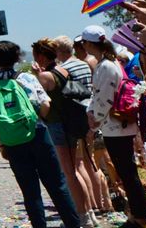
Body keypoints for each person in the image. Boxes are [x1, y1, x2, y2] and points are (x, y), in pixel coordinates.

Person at [0, 41, 81, 228]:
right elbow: (45, 105)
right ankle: (73, 224)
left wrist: (2, 144)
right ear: (17, 58)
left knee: (30, 192)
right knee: (57, 185)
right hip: (37, 134)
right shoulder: (26, 78)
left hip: (12, 142)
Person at [79, 26, 146, 228]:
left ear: (90, 44)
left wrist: (94, 120)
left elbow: (104, 97)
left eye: (84, 43)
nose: (83, 46)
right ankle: (136, 214)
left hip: (116, 125)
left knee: (127, 171)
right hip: (114, 125)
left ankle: (140, 216)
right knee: (125, 170)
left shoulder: (107, 66)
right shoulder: (107, 63)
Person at [30, 39, 97, 228]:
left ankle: (81, 216)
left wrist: (37, 76)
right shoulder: (63, 70)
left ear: (41, 56)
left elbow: (42, 104)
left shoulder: (45, 77)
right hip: (71, 124)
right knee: (75, 170)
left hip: (57, 126)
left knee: (69, 173)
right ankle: (88, 213)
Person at [53, 36, 112, 218]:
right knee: (92, 163)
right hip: (91, 113)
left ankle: (92, 205)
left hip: (76, 118)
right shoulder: (84, 64)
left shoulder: (63, 69)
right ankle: (103, 203)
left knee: (81, 164)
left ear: (59, 51)